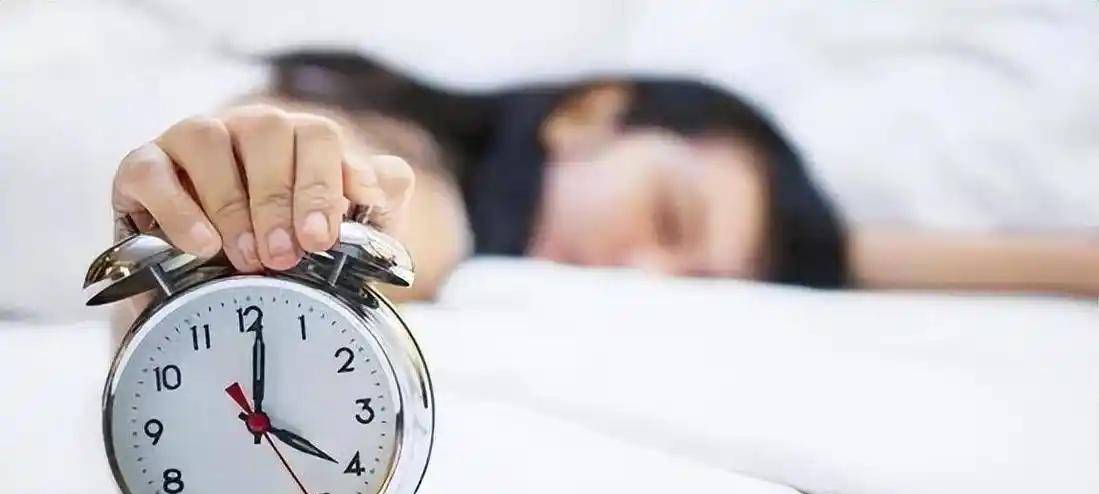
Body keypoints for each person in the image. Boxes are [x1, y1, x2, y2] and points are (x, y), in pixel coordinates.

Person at [110, 51, 1099, 302]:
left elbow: (848, 258)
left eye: (694, 281)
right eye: (668, 216)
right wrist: (311, 197)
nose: (645, 276)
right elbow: (387, 192)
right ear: (587, 114)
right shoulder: (377, 130)